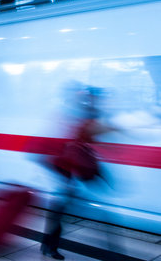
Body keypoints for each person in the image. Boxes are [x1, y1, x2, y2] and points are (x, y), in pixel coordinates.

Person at [41, 87, 116, 260]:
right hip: (64, 169)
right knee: (60, 208)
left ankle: (47, 245)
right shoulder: (76, 114)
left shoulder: (86, 114)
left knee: (59, 209)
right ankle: (49, 246)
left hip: (70, 170)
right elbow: (84, 136)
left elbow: (88, 138)